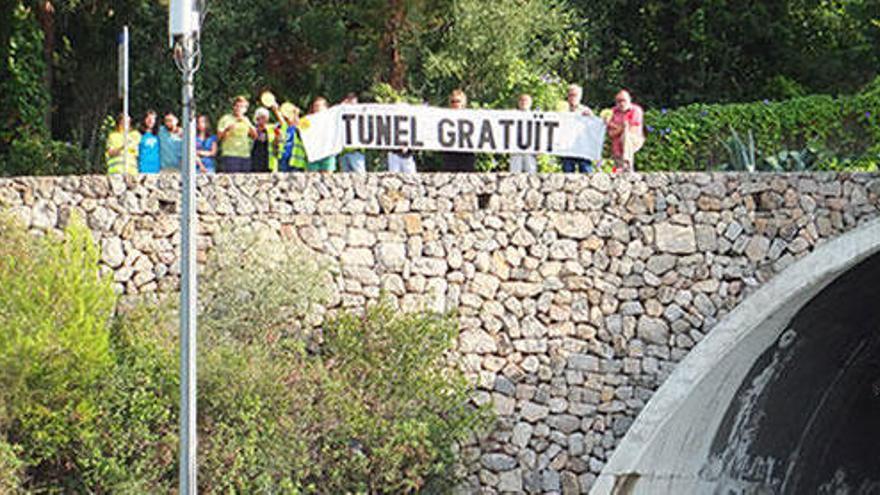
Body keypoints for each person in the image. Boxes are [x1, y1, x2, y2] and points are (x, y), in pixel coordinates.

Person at [606, 89, 645, 173]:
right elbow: (611, 133)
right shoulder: (612, 112)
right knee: (617, 171)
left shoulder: (636, 110)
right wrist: (622, 127)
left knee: (626, 136)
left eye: (624, 100)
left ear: (629, 100)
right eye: (619, 101)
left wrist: (616, 127)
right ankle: (622, 167)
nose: (621, 103)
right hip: (616, 145)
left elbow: (632, 129)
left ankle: (626, 163)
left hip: (634, 139)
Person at [217, 95, 257, 173]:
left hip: (245, 155)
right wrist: (227, 129)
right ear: (233, 107)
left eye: (242, 107)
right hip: (230, 155)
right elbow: (219, 137)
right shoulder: (226, 119)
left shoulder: (246, 120)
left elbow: (254, 136)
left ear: (245, 109)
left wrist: (248, 124)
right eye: (237, 106)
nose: (239, 108)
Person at [439, 89, 476, 172]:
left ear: (463, 103)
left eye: (458, 101)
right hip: (449, 157)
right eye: (452, 101)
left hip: (466, 157)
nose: (455, 104)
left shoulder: (472, 118)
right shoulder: (443, 119)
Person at [561, 84, 594, 174]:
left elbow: (594, 129)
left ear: (580, 96)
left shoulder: (586, 111)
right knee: (567, 172)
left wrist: (591, 118)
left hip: (583, 146)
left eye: (575, 95)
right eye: (570, 95)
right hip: (566, 146)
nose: (572, 97)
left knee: (586, 171)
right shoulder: (562, 110)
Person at [306, 97, 336, 173]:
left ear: (326, 108)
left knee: (327, 178)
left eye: (319, 106)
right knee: (312, 178)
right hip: (313, 154)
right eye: (315, 106)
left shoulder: (332, 119)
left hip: (328, 154)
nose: (317, 108)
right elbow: (300, 129)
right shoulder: (308, 120)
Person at [509, 94, 538, 174]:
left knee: (531, 174)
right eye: (521, 100)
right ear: (518, 103)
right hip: (515, 149)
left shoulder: (536, 116)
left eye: (526, 100)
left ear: (530, 103)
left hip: (530, 150)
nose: (523, 102)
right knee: (514, 173)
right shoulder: (512, 115)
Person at [276, 103, 307, 172]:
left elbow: (299, 126)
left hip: (296, 161)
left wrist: (296, 114)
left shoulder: (301, 125)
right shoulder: (284, 126)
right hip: (283, 159)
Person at [250, 107, 274, 173]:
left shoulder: (270, 129)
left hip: (268, 160)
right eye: (262, 117)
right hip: (255, 160)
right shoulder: (253, 129)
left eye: (266, 117)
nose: (265, 120)